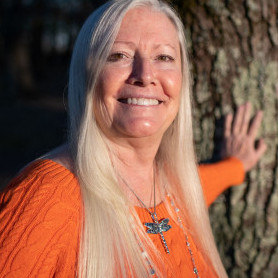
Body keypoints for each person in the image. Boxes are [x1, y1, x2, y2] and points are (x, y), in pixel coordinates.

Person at [0, 0, 266, 277]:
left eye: (163, 57)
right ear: (87, 75)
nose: (145, 75)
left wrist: (235, 165)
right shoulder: (48, 196)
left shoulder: (177, 185)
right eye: (119, 56)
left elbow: (200, 185)